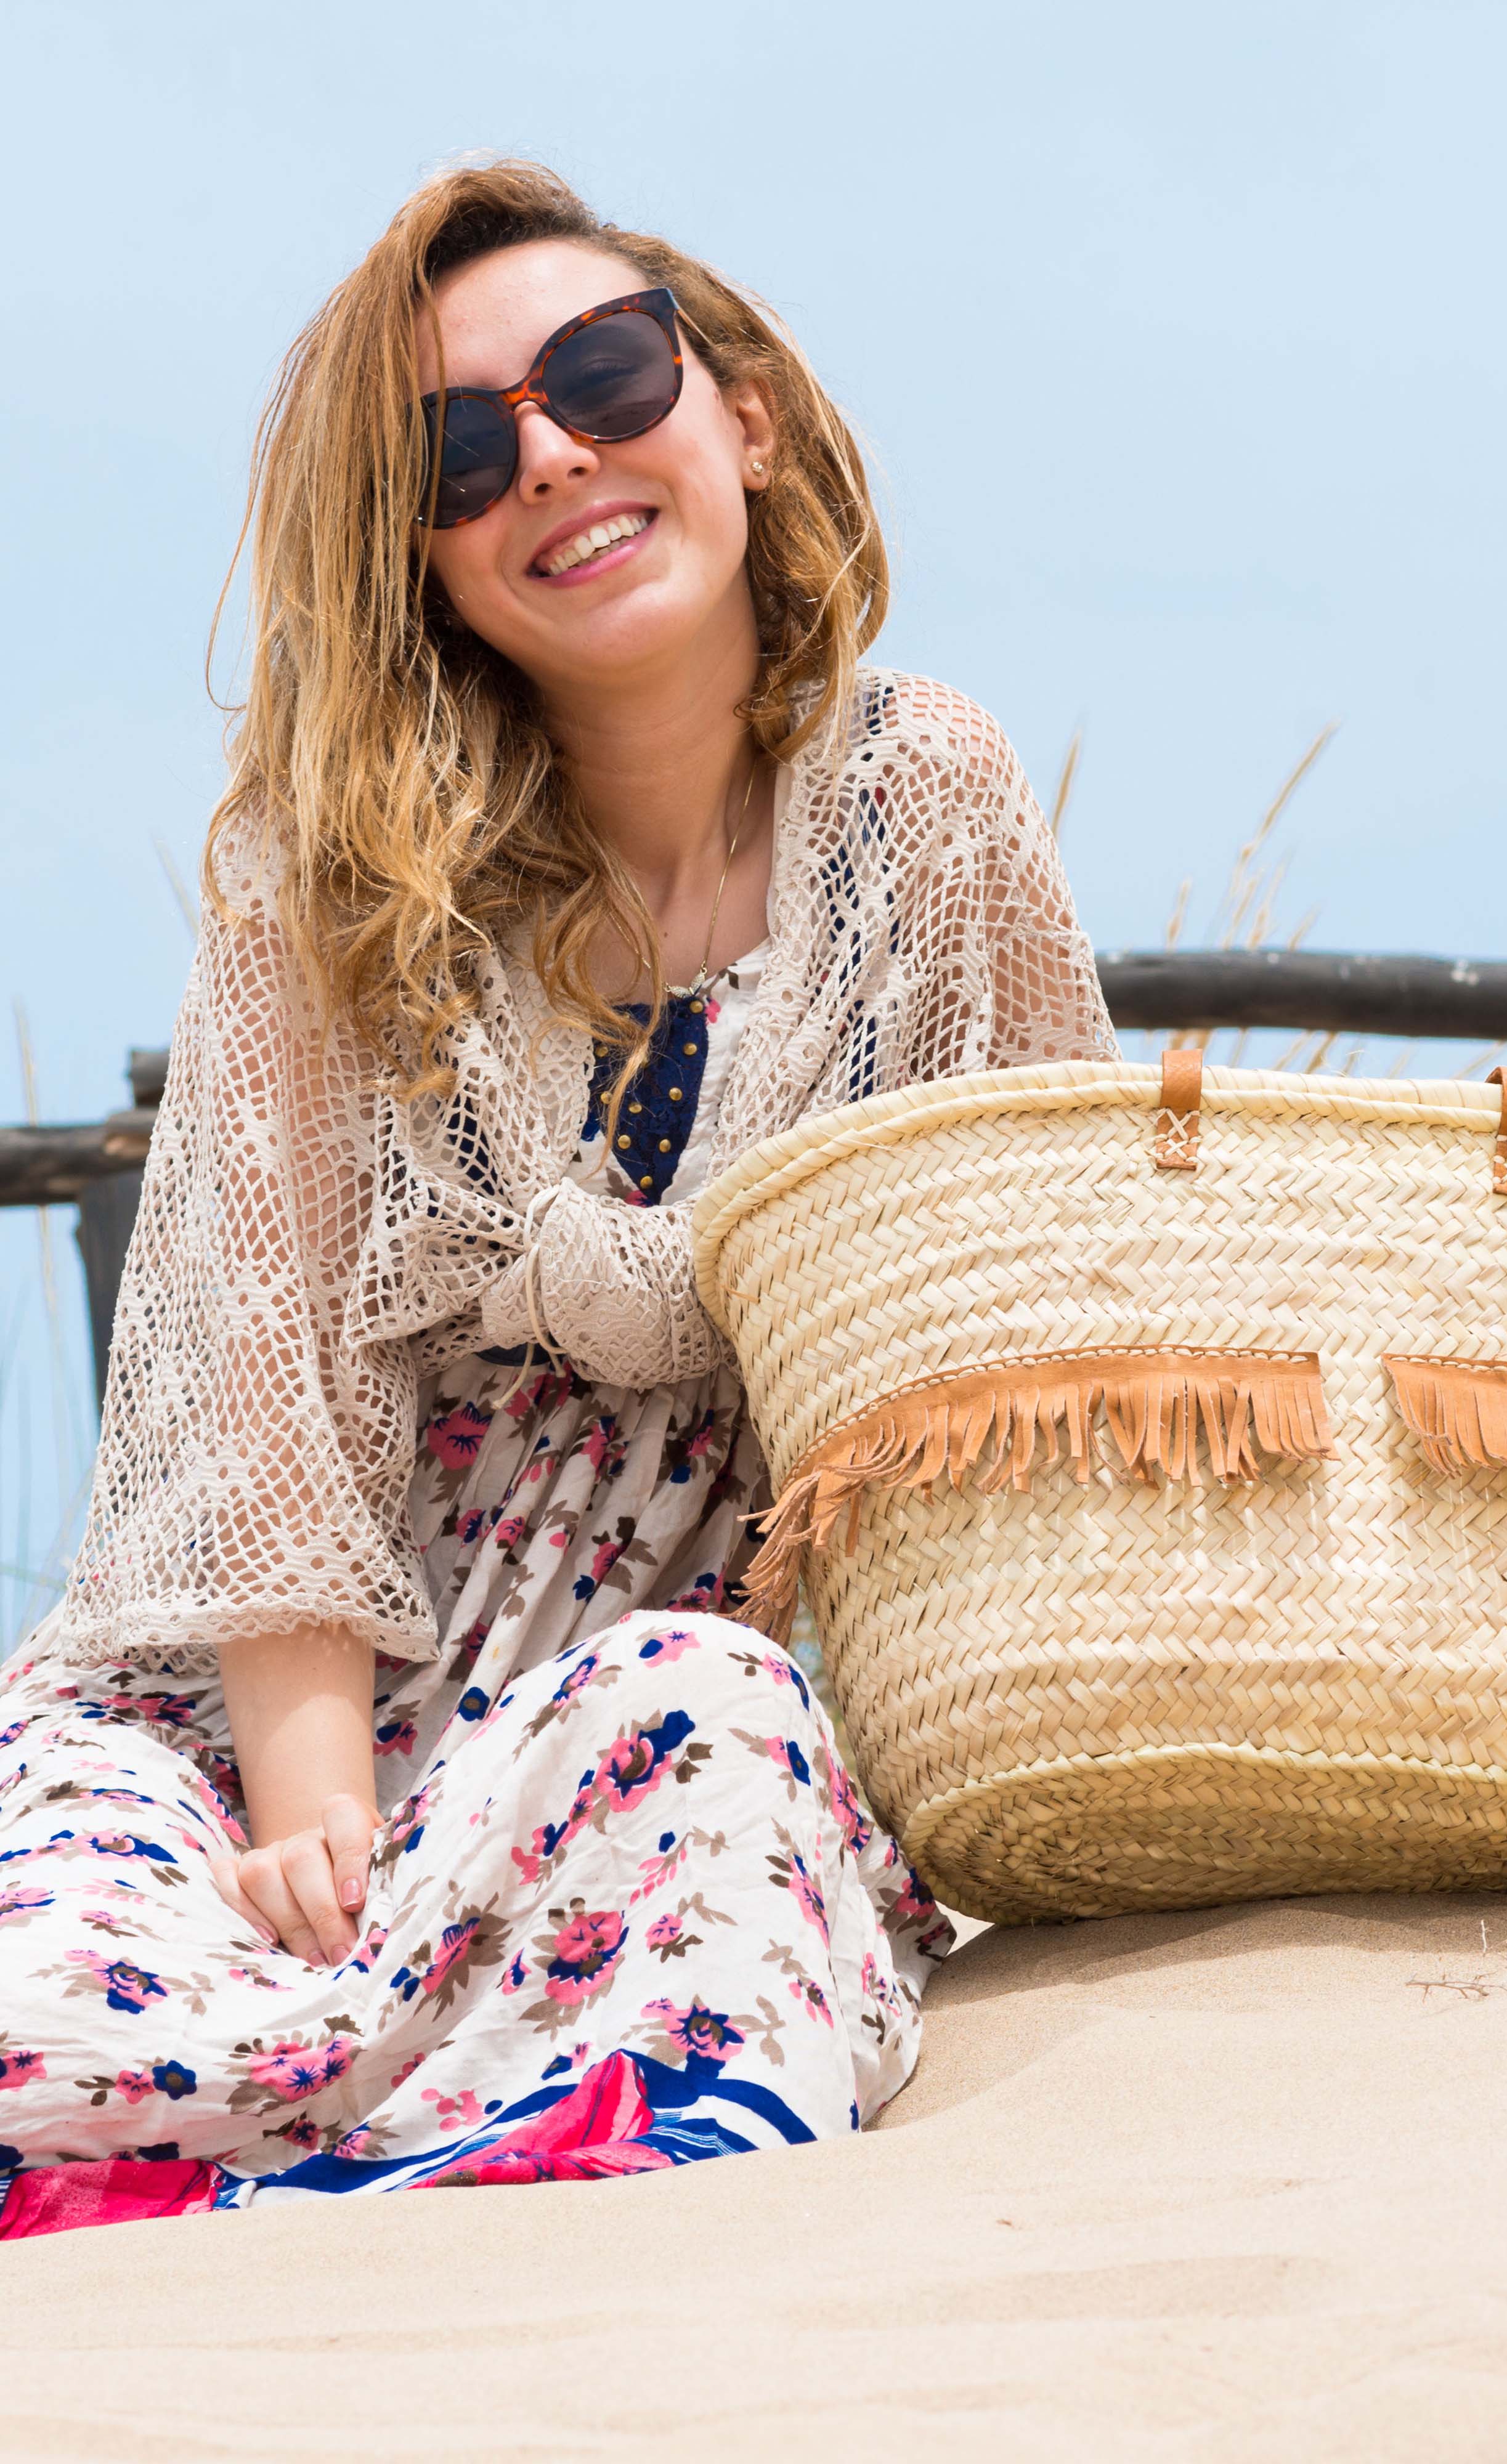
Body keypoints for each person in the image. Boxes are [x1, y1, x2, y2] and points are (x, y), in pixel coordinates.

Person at [0, 158, 1114, 2236]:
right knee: (55, 1948)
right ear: (416, 558)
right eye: (454, 450)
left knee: (702, 1727)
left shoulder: (931, 799)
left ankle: (436, 2175)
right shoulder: (314, 885)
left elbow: (1040, 1299)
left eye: (605, 371)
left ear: (745, 415)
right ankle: (312, 2139)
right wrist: (311, 1835)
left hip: (676, 1686)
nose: (551, 458)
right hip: (294, 1718)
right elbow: (268, 1407)